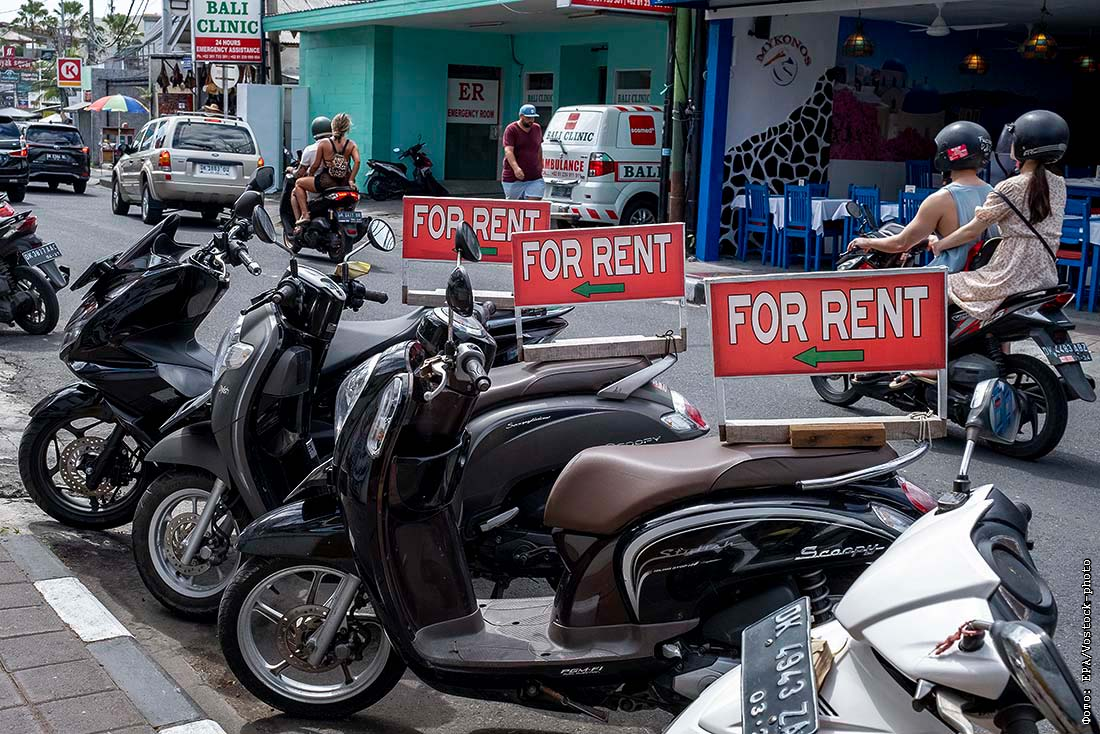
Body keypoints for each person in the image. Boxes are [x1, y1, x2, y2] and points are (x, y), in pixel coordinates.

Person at [928, 109, 1068, 321]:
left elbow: (972, 231)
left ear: (1023, 145)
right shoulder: (1059, 184)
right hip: (1046, 276)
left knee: (938, 285)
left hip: (1009, 276)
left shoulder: (1010, 186)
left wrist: (940, 245)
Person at [849, 121, 995, 273]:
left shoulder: (940, 199)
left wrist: (866, 242)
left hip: (947, 278)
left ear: (948, 153)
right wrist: (936, 240)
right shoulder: (994, 193)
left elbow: (901, 243)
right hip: (986, 276)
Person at [293, 113, 360, 230]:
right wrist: (351, 180)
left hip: (327, 182)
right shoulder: (351, 144)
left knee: (299, 183)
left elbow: (315, 165)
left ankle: (305, 214)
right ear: (347, 128)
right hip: (344, 183)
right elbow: (357, 161)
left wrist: (310, 175)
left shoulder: (324, 143)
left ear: (332, 126)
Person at [289, 116, 332, 222]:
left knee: (297, 186)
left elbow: (300, 173)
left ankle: (303, 217)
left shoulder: (311, 149)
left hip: (321, 184)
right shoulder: (339, 146)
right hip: (341, 183)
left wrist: (291, 170)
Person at [501, 104, 544, 200]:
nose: (531, 120)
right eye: (528, 118)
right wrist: (516, 168)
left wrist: (540, 164)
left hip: (534, 176)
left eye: (533, 118)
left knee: (534, 202)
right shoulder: (511, 129)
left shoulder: (537, 128)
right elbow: (508, 151)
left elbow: (539, 147)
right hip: (513, 178)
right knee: (513, 205)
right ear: (521, 116)